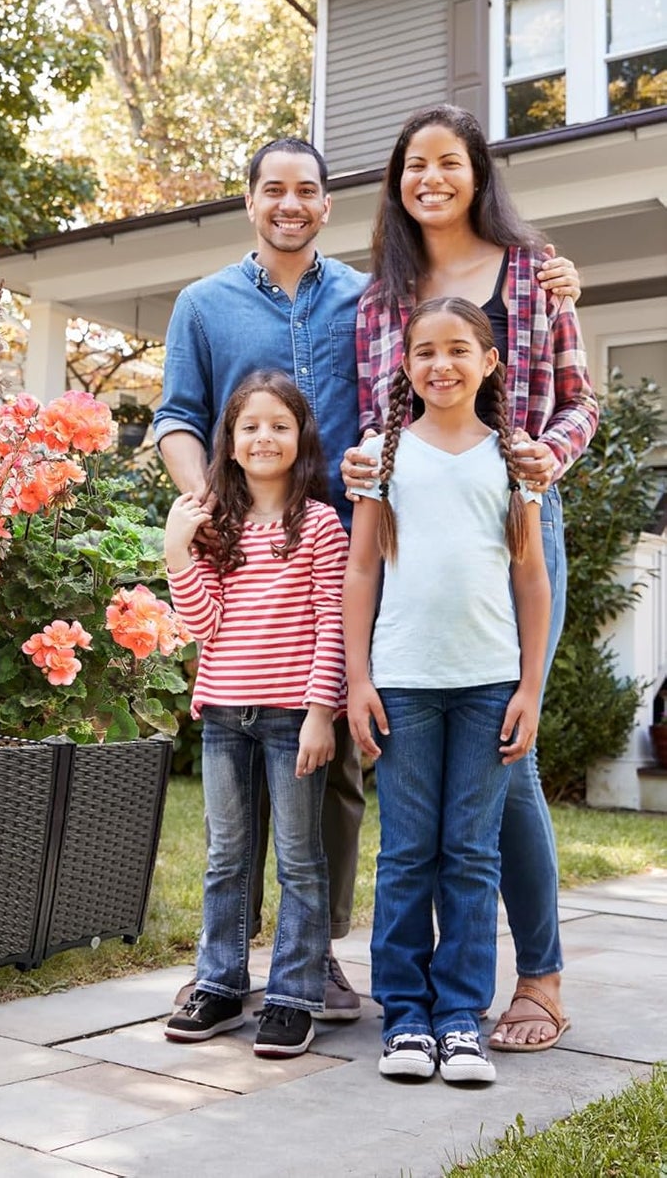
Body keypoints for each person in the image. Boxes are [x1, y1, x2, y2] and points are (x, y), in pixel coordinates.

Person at [155, 133, 580, 1023]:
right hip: (324, 547)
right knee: (338, 748)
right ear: (247, 198)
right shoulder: (311, 297)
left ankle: (519, 975)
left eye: (306, 188)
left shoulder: (459, 282)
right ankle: (278, 965)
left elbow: (561, 395)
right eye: (271, 188)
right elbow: (185, 418)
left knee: (479, 753)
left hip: (448, 525)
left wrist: (542, 450)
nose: (288, 203)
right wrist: (218, 514)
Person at [346, 105, 597, 1054]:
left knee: (510, 745)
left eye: (448, 163)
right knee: (425, 820)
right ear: (396, 181)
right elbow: (375, 422)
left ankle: (538, 976)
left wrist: (542, 459)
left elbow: (579, 401)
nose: (431, 179)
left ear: (476, 172)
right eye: (414, 165)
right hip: (413, 531)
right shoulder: (379, 298)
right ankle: (426, 995)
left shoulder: (534, 271)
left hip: (518, 515)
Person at [344, 298, 550, 1084]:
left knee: (469, 853)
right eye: (424, 351)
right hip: (402, 683)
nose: (441, 364)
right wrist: (359, 679)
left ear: (490, 361)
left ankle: (460, 1015)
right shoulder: (381, 456)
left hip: (487, 683)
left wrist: (530, 685)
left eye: (458, 349)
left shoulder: (513, 460)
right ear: (404, 365)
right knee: (404, 853)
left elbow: (529, 578)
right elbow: (361, 570)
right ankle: (403, 1014)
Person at [163, 370, 347, 1059]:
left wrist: (318, 711)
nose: (264, 436)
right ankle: (218, 982)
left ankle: (293, 994)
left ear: (299, 438)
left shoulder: (320, 524)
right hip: (221, 714)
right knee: (224, 858)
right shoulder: (215, 525)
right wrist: (176, 548)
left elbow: (331, 621)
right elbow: (202, 623)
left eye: (278, 424)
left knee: (298, 859)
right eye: (250, 426)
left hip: (289, 715)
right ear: (230, 443)